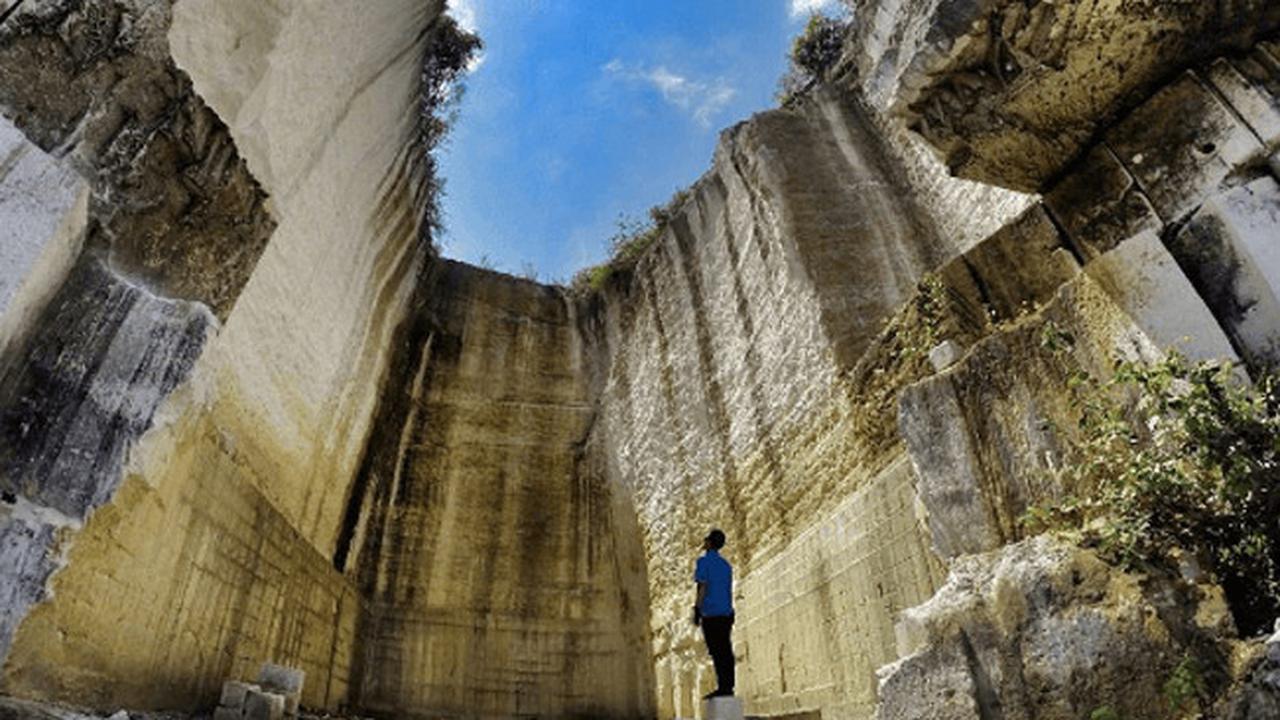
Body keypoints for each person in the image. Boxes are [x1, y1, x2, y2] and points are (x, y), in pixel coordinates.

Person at [693, 527, 734, 698]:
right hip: (726, 612)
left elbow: (702, 586)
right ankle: (728, 685)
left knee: (716, 651)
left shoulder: (703, 562)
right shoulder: (726, 565)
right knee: (725, 649)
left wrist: (697, 608)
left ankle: (722, 687)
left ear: (709, 543)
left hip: (711, 614)